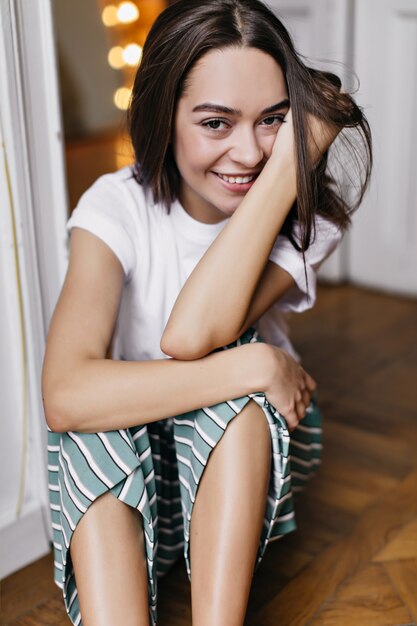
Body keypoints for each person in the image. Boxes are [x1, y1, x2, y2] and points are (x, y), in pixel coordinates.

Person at [42, 1, 372, 625]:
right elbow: (64, 394)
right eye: (217, 124)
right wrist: (257, 363)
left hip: (239, 479)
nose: (248, 153)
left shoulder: (308, 224)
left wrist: (290, 168)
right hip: (129, 478)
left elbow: (196, 333)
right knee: (92, 421)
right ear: (164, 115)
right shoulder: (116, 207)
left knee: (235, 391)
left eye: (273, 119)